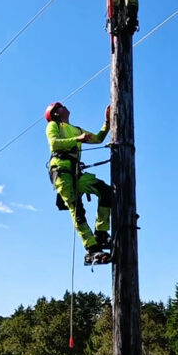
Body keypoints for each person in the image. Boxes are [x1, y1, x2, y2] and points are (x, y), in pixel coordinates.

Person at [45, 101, 114, 265]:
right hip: (61, 173)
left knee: (105, 191)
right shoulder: (54, 125)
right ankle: (91, 249)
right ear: (55, 113)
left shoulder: (76, 129)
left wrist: (107, 123)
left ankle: (102, 234)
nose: (64, 106)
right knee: (77, 210)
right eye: (60, 106)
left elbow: (97, 139)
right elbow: (54, 143)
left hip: (76, 173)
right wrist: (78, 139)